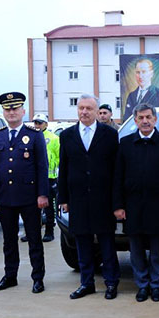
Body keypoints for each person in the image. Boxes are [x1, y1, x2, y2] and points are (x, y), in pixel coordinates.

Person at [113, 103, 159, 302]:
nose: (145, 121)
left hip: (158, 207)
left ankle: (156, 285)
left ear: (155, 119)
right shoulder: (125, 143)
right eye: (141, 118)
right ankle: (142, 285)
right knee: (136, 250)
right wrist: (118, 206)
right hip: (132, 206)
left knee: (157, 250)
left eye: (148, 117)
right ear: (135, 121)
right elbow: (117, 177)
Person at [58, 95, 121, 300]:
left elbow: (116, 171)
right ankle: (87, 283)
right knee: (82, 243)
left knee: (106, 243)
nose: (84, 112)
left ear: (96, 111)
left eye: (89, 108)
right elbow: (64, 168)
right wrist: (63, 198)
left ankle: (111, 283)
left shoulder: (109, 134)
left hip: (103, 199)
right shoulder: (67, 135)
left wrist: (116, 200)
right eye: (81, 108)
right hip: (78, 199)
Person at [0, 92, 50, 293]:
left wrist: (43, 194)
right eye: (8, 109)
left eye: (15, 108)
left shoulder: (34, 135)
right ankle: (10, 276)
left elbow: (42, 166)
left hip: (29, 196)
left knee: (34, 239)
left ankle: (37, 278)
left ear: (23, 111)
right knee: (9, 240)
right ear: (3, 112)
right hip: (5, 196)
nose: (11, 112)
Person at [24, 113, 58, 243]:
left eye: (40, 122)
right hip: (33, 177)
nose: (37, 125)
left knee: (49, 207)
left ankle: (49, 231)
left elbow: (59, 156)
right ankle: (31, 232)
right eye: (35, 122)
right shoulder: (29, 136)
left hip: (49, 177)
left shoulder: (54, 138)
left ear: (46, 124)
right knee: (31, 208)